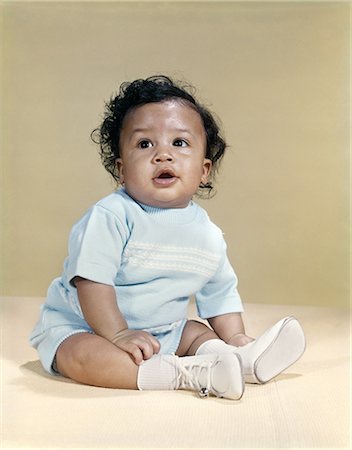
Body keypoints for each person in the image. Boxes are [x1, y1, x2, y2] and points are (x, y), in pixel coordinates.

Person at [29, 75, 305, 400]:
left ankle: (240, 358)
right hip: (85, 326)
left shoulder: (208, 235)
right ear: (121, 169)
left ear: (204, 170)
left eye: (179, 143)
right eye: (145, 144)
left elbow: (220, 296)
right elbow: (92, 283)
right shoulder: (112, 216)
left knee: (195, 332)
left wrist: (237, 336)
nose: (163, 155)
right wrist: (118, 334)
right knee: (80, 355)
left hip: (163, 331)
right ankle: (188, 374)